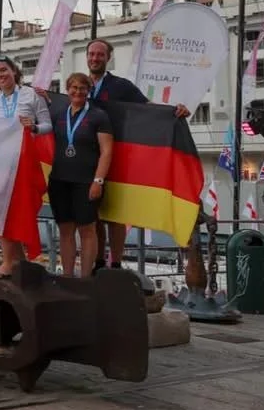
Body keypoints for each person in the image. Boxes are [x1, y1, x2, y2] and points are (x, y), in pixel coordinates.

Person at [37, 39, 188, 271]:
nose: (95, 58)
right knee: (93, 215)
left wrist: (173, 112)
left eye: (100, 54)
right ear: (87, 57)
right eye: (91, 54)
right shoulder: (80, 85)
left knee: (116, 213)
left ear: (108, 58)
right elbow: (62, 107)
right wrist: (41, 96)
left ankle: (115, 263)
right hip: (85, 159)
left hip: (117, 155)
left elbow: (148, 108)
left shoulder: (121, 86)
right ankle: (97, 263)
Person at [0, 55, 51, 278]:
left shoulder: (32, 95)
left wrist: (34, 128)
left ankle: (14, 262)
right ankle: (11, 261)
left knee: (20, 209)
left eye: (4, 70)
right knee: (0, 211)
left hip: (24, 162)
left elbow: (48, 125)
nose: (0, 75)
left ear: (14, 71)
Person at [47, 73, 113, 277]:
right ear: (67, 90)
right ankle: (67, 276)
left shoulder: (99, 116)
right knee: (65, 230)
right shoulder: (59, 114)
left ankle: (85, 279)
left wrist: (98, 181)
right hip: (59, 180)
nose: (78, 92)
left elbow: (107, 151)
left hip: (86, 181)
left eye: (82, 88)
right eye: (74, 88)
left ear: (88, 91)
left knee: (87, 230)